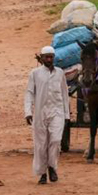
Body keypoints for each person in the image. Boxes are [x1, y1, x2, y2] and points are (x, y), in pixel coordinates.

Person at [24, 46, 70, 185]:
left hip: (57, 112)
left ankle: (52, 167)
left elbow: (64, 94)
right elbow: (29, 93)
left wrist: (66, 115)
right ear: (42, 58)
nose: (49, 59)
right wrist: (28, 112)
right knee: (41, 145)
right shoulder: (35, 73)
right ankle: (42, 173)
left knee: (55, 141)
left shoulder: (60, 73)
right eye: (46, 57)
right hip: (40, 113)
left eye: (51, 57)